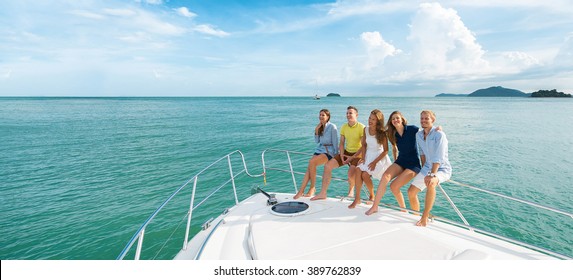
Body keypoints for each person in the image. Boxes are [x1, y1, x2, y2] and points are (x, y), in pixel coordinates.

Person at [365, 111, 422, 215]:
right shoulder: (392, 133)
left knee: (394, 186)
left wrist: (437, 128)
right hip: (401, 161)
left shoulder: (412, 129)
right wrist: (395, 161)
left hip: (413, 164)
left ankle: (416, 215)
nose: (395, 120)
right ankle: (375, 206)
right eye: (393, 119)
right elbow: (394, 147)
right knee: (385, 176)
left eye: (397, 118)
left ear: (402, 119)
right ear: (391, 122)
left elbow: (426, 132)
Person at [407, 110, 452, 227]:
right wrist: (423, 170)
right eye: (422, 118)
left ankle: (425, 216)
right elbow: (422, 153)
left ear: (433, 120)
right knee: (411, 192)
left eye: (426, 118)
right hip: (427, 167)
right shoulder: (419, 135)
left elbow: (439, 157)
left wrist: (432, 174)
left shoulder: (439, 135)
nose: (423, 120)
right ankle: (416, 215)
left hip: (441, 169)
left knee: (431, 183)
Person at [311, 106, 364, 200]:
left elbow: (364, 146)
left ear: (356, 115)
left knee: (350, 174)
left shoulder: (362, 127)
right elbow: (342, 142)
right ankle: (323, 193)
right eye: (347, 113)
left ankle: (351, 191)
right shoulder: (344, 127)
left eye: (350, 113)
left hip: (357, 154)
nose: (348, 115)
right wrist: (342, 155)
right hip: (346, 152)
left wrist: (352, 158)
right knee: (327, 166)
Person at [348, 109, 392, 209]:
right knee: (358, 170)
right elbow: (364, 145)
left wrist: (374, 162)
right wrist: (363, 158)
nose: (370, 121)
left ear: (378, 121)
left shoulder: (382, 133)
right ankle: (357, 198)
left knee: (365, 175)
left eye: (373, 119)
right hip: (368, 155)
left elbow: (386, 151)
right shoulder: (366, 129)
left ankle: (372, 195)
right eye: (369, 118)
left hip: (378, 157)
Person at [294, 109, 339, 199]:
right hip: (319, 149)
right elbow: (317, 141)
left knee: (312, 162)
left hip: (328, 151)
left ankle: (312, 188)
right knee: (309, 167)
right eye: (320, 115)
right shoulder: (319, 126)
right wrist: (316, 130)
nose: (321, 117)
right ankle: (301, 191)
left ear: (328, 117)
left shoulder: (332, 127)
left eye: (323, 115)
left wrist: (336, 155)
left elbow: (335, 141)